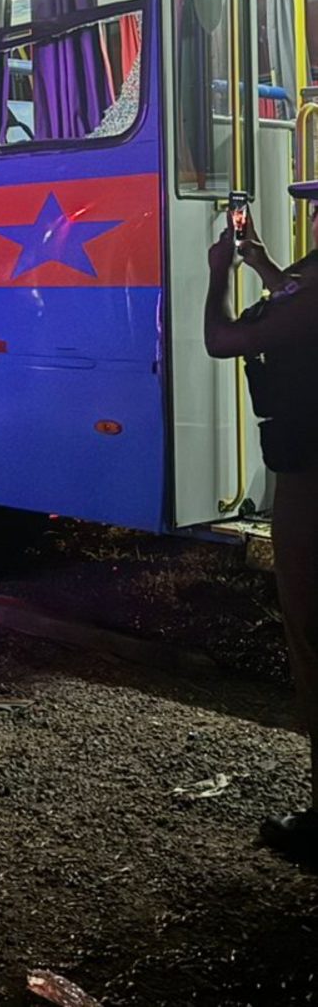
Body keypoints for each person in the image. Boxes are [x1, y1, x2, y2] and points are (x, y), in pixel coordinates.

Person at [205, 183, 318, 865]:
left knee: (311, 634)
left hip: (311, 480)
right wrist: (268, 268)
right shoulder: (302, 281)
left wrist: (220, 272)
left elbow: (223, 339)